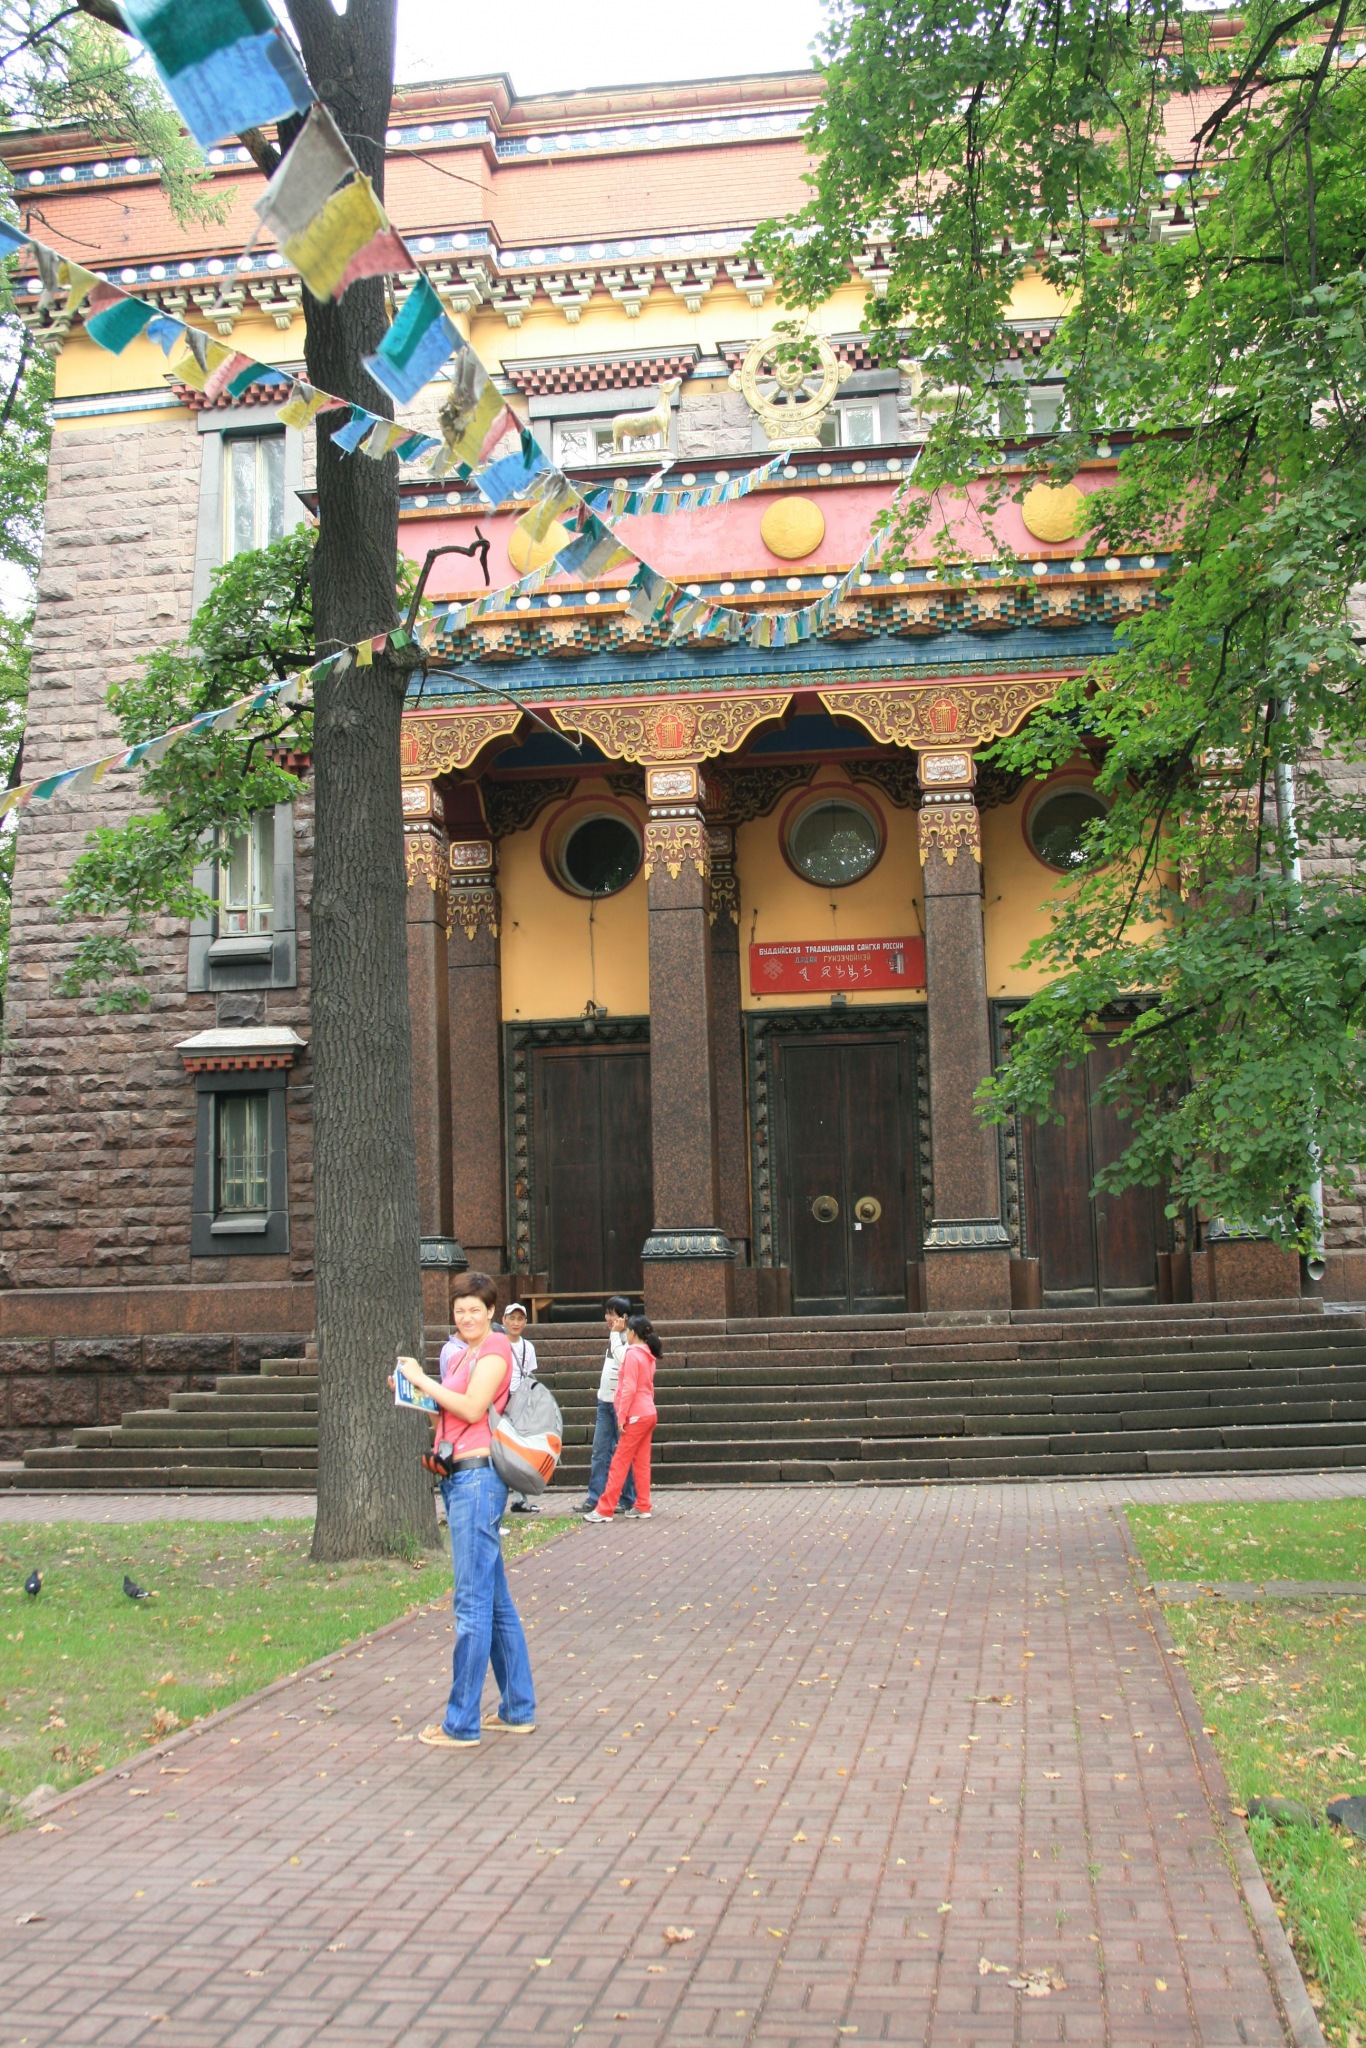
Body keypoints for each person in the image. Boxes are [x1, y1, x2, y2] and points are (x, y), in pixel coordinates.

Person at [391, 1271, 536, 1749]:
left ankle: (461, 1724)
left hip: (477, 1480)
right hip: (459, 1478)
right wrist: (413, 1392)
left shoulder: (494, 1349)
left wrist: (422, 1379)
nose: (467, 1317)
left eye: (475, 1309)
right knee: (494, 1603)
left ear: (492, 1311)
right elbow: (448, 1411)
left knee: (471, 1605)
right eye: (459, 1310)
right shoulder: (462, 1353)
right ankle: (517, 1709)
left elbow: (473, 1409)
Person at [585, 1312, 659, 1523]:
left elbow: (629, 1388)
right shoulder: (648, 1354)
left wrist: (622, 1416)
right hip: (648, 1412)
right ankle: (642, 1504)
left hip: (635, 1414)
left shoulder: (633, 1354)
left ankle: (604, 1509)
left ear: (633, 1333)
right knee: (641, 1461)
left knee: (620, 1461)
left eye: (628, 1331)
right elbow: (648, 1386)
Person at [579, 1295, 636, 1515]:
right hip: (604, 1402)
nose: (608, 1318)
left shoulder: (630, 1338)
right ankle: (596, 1497)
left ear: (624, 1317)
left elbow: (624, 1360)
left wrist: (615, 1334)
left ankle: (627, 1498)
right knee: (600, 1451)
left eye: (612, 1314)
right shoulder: (613, 1336)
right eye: (607, 1313)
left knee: (623, 1452)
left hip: (621, 1405)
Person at [503, 1302, 541, 1516]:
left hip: (520, 1400)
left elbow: (530, 1375)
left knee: (519, 1449)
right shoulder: (498, 1344)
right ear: (504, 1321)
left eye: (520, 1319)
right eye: (512, 1318)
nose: (515, 1323)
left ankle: (520, 1497)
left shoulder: (528, 1347)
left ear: (525, 1322)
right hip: (500, 1398)